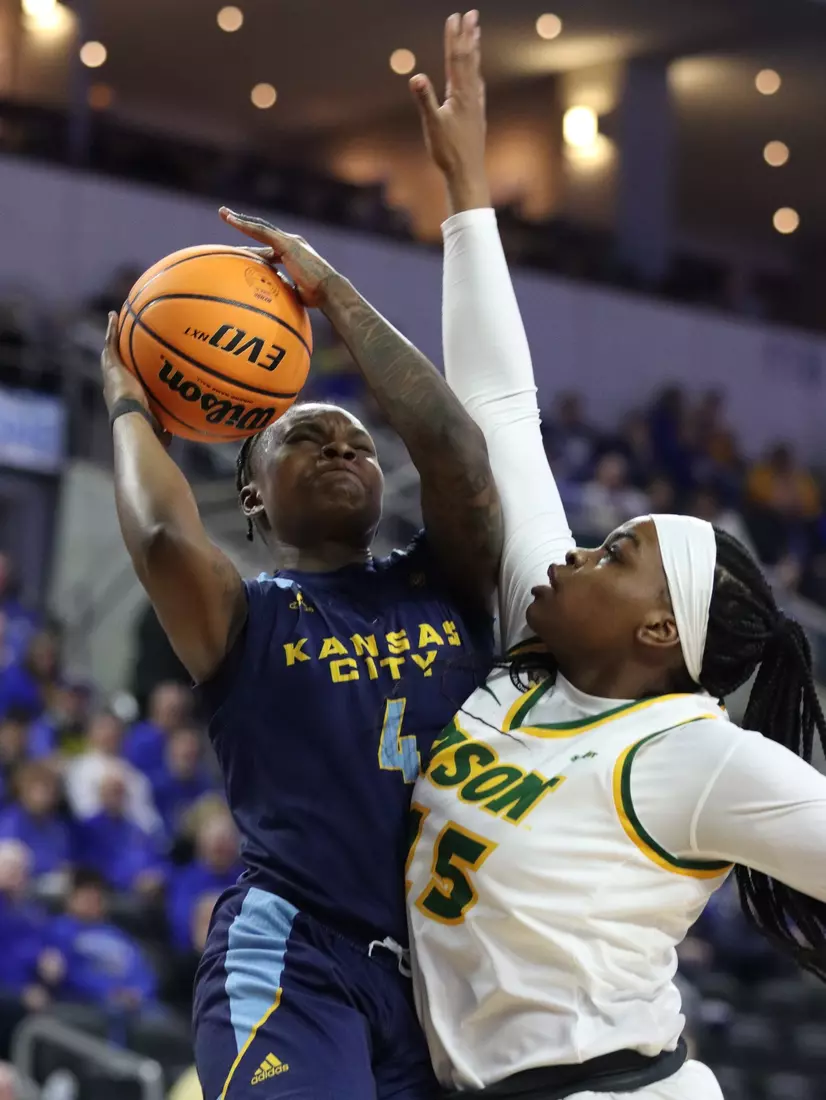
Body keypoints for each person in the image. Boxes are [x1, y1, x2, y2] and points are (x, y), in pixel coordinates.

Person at [405, 15, 826, 1099]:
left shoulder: (690, 754)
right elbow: (498, 407)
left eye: (616, 553)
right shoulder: (541, 637)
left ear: (656, 630)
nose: (578, 551)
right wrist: (466, 200)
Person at [101, 196, 502, 1097]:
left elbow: (456, 453)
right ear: (251, 497)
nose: (339, 447)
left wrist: (336, 298)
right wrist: (129, 401)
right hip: (297, 959)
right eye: (303, 437)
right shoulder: (250, 617)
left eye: (357, 441)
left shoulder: (444, 580)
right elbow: (164, 541)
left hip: (448, 976)